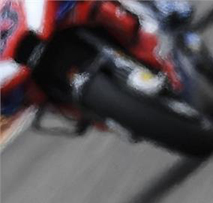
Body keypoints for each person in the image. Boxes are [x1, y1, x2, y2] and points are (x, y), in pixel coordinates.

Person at [0, 0, 189, 119]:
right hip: (15, 56)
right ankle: (96, 113)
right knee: (21, 96)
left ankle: (162, 5)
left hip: (43, 12)